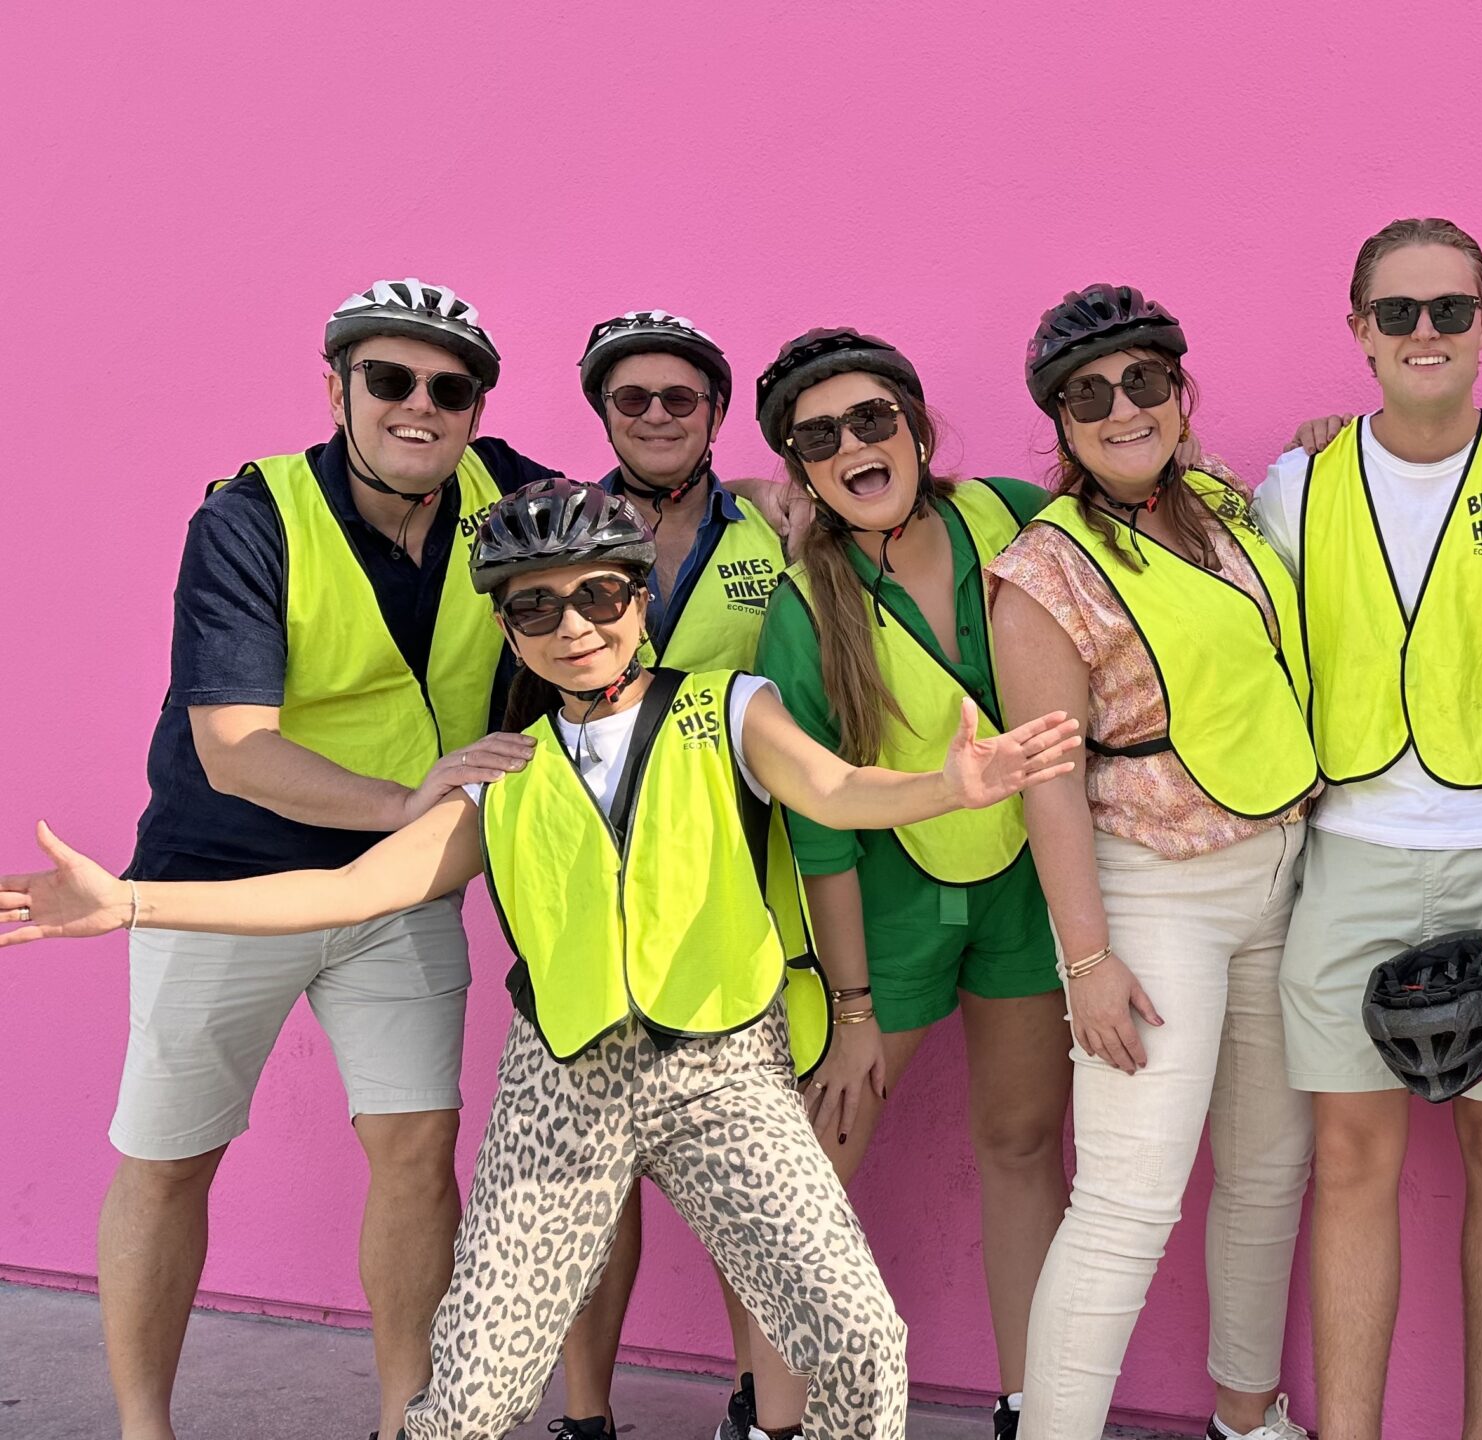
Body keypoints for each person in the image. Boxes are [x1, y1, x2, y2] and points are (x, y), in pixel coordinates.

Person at [5, 479, 1084, 1440]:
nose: (573, 625)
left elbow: (841, 793)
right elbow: (348, 890)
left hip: (725, 1076)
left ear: (638, 598)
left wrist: (952, 786)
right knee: (468, 1402)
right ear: (509, 629)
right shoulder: (499, 775)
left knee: (856, 1346)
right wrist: (134, 902)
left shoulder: (724, 711)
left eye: (599, 596)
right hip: (561, 1086)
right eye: (535, 605)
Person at [103, 278, 558, 1440]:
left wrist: (768, 499)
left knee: (416, 1147)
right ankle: (144, 1427)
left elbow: (641, 511)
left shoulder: (506, 492)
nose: (421, 406)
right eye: (390, 379)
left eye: (448, 388)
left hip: (395, 893)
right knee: (168, 1161)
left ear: (476, 408)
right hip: (225, 882)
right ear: (337, 387)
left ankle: (414, 1418)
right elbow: (237, 749)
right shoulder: (249, 519)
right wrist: (409, 800)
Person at [1254, 218, 1482, 1440]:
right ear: (1356, 331)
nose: (1426, 333)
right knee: (1350, 1162)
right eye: (1398, 313)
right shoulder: (1292, 487)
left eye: (1450, 311)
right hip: (1349, 856)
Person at [988, 284, 1317, 1440]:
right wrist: (1087, 960)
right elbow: (1047, 781)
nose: (1122, 408)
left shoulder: (1225, 506)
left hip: (1281, 874)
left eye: (1143, 381)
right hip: (1152, 894)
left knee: (1270, 1175)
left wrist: (1322, 449)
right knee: (1126, 1202)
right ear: (1060, 424)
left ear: (1180, 390)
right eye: (1089, 395)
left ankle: (1244, 1413)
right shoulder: (1043, 571)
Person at [740, 326, 1073, 1440]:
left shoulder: (1015, 516)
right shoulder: (802, 605)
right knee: (812, 1166)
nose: (853, 445)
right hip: (883, 910)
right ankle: (776, 1424)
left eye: (874, 418)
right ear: (800, 469)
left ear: (919, 427)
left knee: (1025, 1142)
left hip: (1024, 887)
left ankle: (1032, 1406)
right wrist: (853, 1012)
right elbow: (818, 829)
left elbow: (1149, 510)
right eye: (819, 436)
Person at [549, 310, 817, 1440]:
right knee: (592, 1186)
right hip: (588, 878)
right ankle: (585, 1416)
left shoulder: (773, 520)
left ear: (713, 413)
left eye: (680, 399)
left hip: (735, 879)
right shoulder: (557, 523)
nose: (656, 416)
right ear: (602, 413)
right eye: (632, 400)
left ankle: (758, 1404)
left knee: (740, 1174)